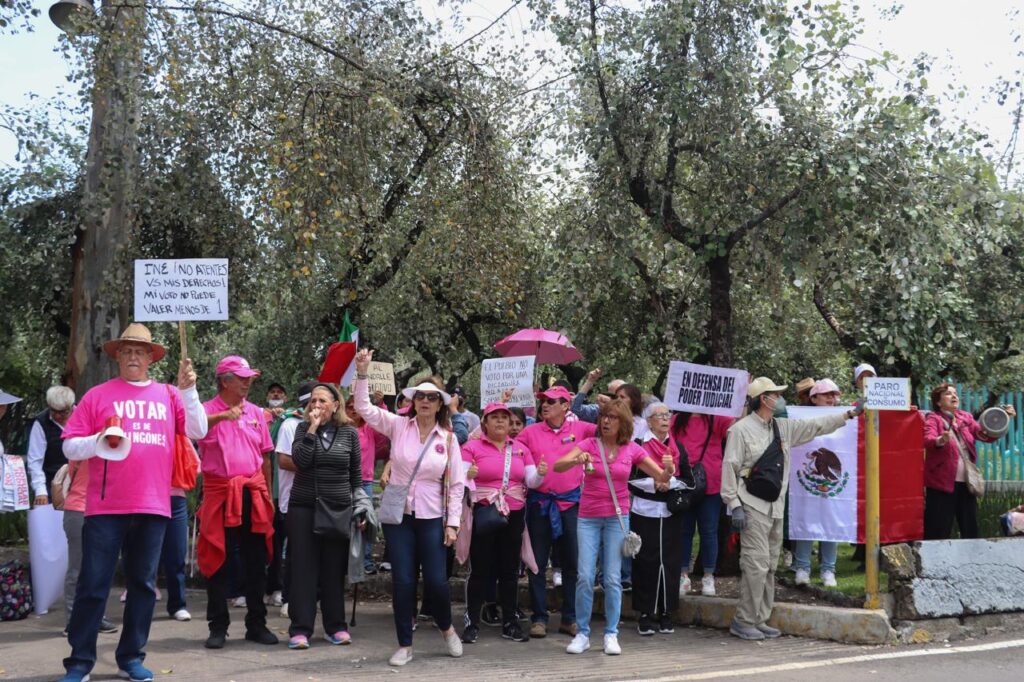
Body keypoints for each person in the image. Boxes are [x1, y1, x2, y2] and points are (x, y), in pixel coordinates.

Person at [59, 323, 207, 682]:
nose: (133, 356)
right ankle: (79, 663)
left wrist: (190, 392)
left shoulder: (170, 395)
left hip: (154, 505)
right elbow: (68, 445)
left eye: (140, 351)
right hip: (105, 508)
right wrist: (100, 440)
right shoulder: (96, 395)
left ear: (151, 358)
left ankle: (130, 658)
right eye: (127, 351)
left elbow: (199, 430)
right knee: (93, 584)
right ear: (118, 356)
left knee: (142, 585)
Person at [721, 377, 861, 642]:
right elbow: (729, 467)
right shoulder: (740, 431)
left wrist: (848, 414)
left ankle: (760, 619)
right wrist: (734, 505)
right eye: (776, 394)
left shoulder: (782, 427)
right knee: (755, 564)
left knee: (770, 564)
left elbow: (816, 425)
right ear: (764, 399)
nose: (780, 399)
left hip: (776, 507)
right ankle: (743, 620)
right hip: (751, 506)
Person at [354, 349, 465, 667]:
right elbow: (363, 408)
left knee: (436, 580)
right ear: (413, 401)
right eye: (420, 397)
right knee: (402, 580)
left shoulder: (448, 438)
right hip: (398, 515)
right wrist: (362, 373)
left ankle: (446, 628)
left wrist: (453, 523)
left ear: (440, 403)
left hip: (432, 516)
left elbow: (456, 484)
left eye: (431, 397)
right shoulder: (398, 426)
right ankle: (405, 643)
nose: (425, 402)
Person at [555, 399, 672, 656]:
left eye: (612, 417)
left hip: (617, 519)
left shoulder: (631, 449)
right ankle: (583, 634)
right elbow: (558, 465)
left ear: (624, 423)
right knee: (585, 577)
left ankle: (611, 633)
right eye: (603, 417)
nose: (606, 421)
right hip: (587, 518)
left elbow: (662, 478)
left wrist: (669, 468)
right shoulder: (588, 444)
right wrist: (577, 460)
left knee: (612, 578)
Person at [196, 355, 277, 650]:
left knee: (257, 561)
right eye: (241, 377)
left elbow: (266, 456)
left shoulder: (256, 412)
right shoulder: (205, 411)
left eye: (249, 377)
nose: (247, 382)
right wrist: (221, 417)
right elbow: (193, 428)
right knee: (218, 561)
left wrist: (267, 495)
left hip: (252, 493)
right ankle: (218, 626)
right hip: (220, 493)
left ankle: (257, 623)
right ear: (224, 381)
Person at [286, 383, 363, 649]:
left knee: (333, 569)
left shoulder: (349, 433)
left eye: (322, 401)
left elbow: (355, 476)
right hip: (304, 508)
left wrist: (359, 509)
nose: (316, 405)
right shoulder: (301, 429)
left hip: (338, 510)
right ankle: (300, 629)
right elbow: (301, 460)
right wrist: (312, 429)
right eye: (313, 401)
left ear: (336, 404)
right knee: (303, 570)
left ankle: (335, 627)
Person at [517, 385, 597, 639]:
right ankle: (539, 617)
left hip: (571, 505)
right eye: (543, 401)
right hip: (539, 505)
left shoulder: (582, 428)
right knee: (537, 563)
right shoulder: (529, 432)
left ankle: (569, 618)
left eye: (552, 402)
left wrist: (611, 405)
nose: (545, 406)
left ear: (566, 406)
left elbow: (612, 432)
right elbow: (507, 449)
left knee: (573, 563)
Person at [459, 402, 537, 644]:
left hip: (513, 513)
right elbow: (458, 477)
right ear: (485, 423)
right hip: (485, 512)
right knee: (480, 569)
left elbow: (532, 481)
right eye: (495, 418)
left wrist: (542, 472)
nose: (501, 421)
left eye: (505, 417)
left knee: (509, 570)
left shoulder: (521, 449)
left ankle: (510, 622)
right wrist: (467, 475)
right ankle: (472, 621)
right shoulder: (471, 448)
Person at [923, 383, 1014, 540]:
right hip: (941, 484)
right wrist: (941, 440)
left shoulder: (966, 418)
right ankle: (932, 564)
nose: (954, 396)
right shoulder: (933, 418)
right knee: (937, 529)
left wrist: (1003, 417)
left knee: (970, 529)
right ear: (938, 402)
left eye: (955, 393)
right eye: (948, 394)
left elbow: (986, 435)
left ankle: (973, 563)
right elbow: (928, 440)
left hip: (967, 483)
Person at [632, 401, 684, 635]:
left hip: (670, 512)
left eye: (667, 414)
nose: (665, 418)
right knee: (646, 561)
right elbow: (629, 479)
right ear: (649, 421)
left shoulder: (678, 446)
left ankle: (666, 612)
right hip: (645, 511)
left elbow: (690, 480)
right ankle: (645, 613)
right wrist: (655, 483)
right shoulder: (638, 446)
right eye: (659, 415)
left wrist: (669, 483)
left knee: (670, 562)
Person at [673, 407, 734, 598]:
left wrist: (742, 397)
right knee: (684, 532)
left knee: (709, 531)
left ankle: (709, 575)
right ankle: (683, 575)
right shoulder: (676, 420)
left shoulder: (717, 418)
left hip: (711, 484)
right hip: (684, 483)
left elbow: (737, 427)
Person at [57, 458, 118, 636]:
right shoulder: (82, 441)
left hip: (105, 510)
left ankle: (97, 617)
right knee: (78, 568)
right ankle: (73, 621)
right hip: (79, 509)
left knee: (102, 569)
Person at [792, 379, 843, 588]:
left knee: (833, 522)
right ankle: (802, 567)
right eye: (826, 394)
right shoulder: (800, 418)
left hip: (834, 485)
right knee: (805, 520)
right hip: (805, 482)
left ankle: (828, 570)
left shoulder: (845, 417)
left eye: (834, 394)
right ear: (813, 398)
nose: (832, 398)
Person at [274, 380, 317, 619]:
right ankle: (289, 598)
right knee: (295, 551)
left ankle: (312, 596)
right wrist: (315, 466)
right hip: (293, 499)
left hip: (318, 499)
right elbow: (283, 460)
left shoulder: (324, 427)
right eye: (314, 401)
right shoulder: (290, 425)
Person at [345, 393, 390, 574]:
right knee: (345, 522)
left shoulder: (370, 429)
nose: (354, 410)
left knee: (367, 522)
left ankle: (366, 561)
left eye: (357, 407)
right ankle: (346, 561)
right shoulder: (340, 428)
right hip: (343, 481)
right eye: (350, 407)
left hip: (364, 481)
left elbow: (383, 430)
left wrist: (380, 404)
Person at [27, 385, 75, 505]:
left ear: (71, 407)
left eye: (63, 412)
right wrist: (40, 491)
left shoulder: (83, 415)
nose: (58, 416)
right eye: (54, 411)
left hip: (81, 483)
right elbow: (35, 460)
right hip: (51, 483)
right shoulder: (41, 423)